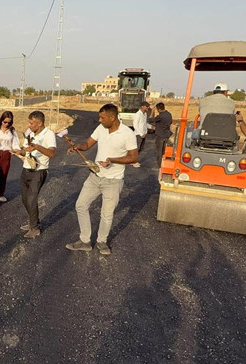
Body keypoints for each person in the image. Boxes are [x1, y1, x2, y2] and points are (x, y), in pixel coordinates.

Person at [65, 104, 138, 255]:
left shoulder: (127, 134)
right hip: (95, 176)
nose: (100, 120)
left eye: (102, 117)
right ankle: (85, 241)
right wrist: (78, 147)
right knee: (81, 205)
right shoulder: (101, 129)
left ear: (112, 117)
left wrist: (113, 160)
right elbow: (88, 144)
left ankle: (102, 242)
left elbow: (133, 157)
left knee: (106, 214)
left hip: (113, 181)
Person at [16, 110, 56, 238]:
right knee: (25, 199)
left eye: (32, 123)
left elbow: (52, 153)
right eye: (29, 122)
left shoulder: (49, 134)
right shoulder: (30, 134)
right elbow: (26, 152)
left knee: (31, 199)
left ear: (40, 123)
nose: (29, 125)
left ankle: (34, 228)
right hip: (26, 169)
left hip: (39, 171)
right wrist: (18, 151)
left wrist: (37, 147)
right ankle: (34, 221)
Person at [0, 111, 21, 208]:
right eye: (5, 122)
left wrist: (18, 151)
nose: (6, 124)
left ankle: (0, 194)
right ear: (1, 120)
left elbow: (15, 144)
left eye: (9, 122)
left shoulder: (12, 131)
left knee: (3, 175)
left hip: (7, 154)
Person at [148, 102, 172, 168]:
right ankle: (165, 164)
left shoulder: (160, 116)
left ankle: (160, 165)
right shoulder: (169, 114)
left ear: (159, 109)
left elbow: (150, 120)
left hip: (160, 135)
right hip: (167, 135)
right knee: (164, 151)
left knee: (159, 151)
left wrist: (152, 111)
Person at [132, 101, 150, 166]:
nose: (148, 108)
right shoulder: (138, 114)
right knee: (137, 148)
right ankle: (133, 161)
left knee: (141, 148)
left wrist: (151, 127)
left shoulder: (145, 114)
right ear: (142, 107)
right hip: (138, 135)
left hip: (144, 134)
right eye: (147, 106)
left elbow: (144, 124)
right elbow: (135, 125)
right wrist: (141, 133)